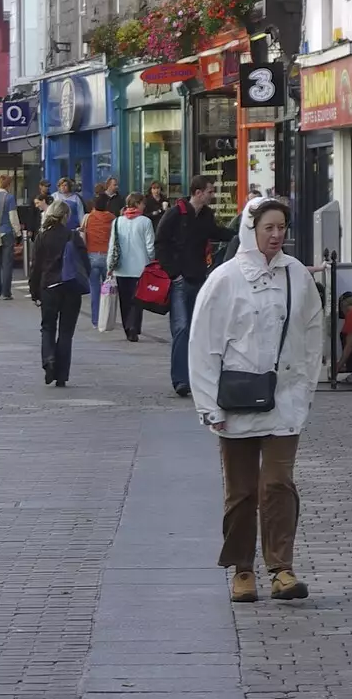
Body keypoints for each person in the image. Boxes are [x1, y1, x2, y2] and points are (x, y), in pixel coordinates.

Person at [189, 198, 323, 603]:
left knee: (278, 484)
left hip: (284, 401)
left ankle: (282, 568)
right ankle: (242, 570)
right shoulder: (225, 279)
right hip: (235, 402)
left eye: (282, 227)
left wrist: (304, 392)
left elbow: (312, 335)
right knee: (242, 490)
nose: (277, 235)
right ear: (252, 229)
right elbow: (203, 345)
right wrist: (208, 405)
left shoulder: (296, 276)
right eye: (269, 227)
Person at [157, 176, 237, 396]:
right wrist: (174, 273)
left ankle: (195, 376)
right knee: (181, 328)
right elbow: (160, 243)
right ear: (198, 192)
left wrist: (242, 235)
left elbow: (216, 233)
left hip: (199, 278)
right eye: (210, 191)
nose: (213, 195)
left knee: (197, 329)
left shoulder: (206, 216)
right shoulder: (176, 213)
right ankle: (181, 380)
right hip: (181, 280)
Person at [31, 201, 88, 387]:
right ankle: (62, 375)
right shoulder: (73, 236)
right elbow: (85, 263)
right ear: (66, 216)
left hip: (49, 287)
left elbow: (35, 268)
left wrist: (35, 292)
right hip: (70, 287)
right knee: (66, 332)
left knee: (47, 327)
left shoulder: (42, 236)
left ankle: (49, 359)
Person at [108, 192, 157, 342]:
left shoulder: (117, 222)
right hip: (140, 267)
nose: (144, 206)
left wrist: (110, 265)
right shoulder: (145, 222)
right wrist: (152, 260)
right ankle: (134, 326)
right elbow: (150, 246)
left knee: (124, 300)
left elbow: (112, 244)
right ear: (136, 204)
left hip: (121, 268)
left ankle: (127, 327)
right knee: (137, 299)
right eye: (142, 203)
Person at [81, 194, 117, 326]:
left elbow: (83, 235)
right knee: (108, 290)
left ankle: (96, 320)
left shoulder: (88, 217)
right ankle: (107, 318)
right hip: (107, 257)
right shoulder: (113, 218)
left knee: (95, 290)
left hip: (92, 256)